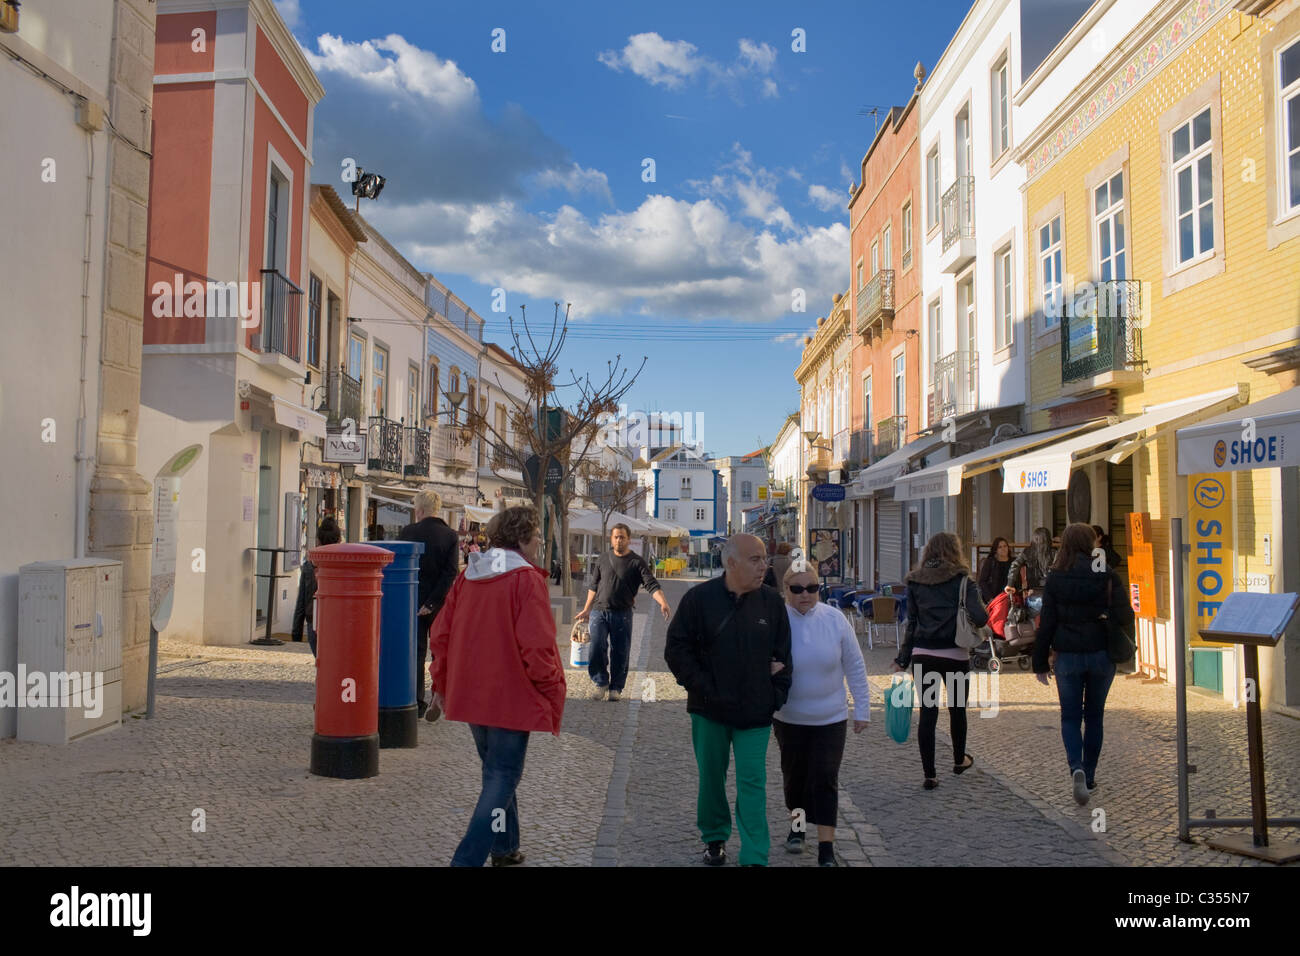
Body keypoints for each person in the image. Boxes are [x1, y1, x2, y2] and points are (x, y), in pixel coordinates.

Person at [430, 506, 566, 867]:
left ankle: (504, 847)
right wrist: (551, 687)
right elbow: (537, 646)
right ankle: (466, 859)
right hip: (511, 695)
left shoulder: (468, 576)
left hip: (472, 692)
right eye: (536, 535)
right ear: (521, 539)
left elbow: (440, 633)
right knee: (502, 776)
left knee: (495, 772)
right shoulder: (526, 580)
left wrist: (441, 681)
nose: (540, 540)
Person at [665, 533, 792, 867]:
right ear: (731, 562)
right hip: (709, 710)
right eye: (755, 559)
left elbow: (784, 655)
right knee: (711, 778)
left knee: (753, 783)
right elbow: (676, 649)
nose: (764, 565)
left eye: (764, 559)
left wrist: (775, 695)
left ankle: (754, 855)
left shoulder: (772, 603)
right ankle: (714, 837)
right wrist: (703, 686)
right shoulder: (699, 599)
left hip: (756, 711)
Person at [773, 561, 870, 867]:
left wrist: (862, 708)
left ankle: (826, 848)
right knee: (795, 778)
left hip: (831, 716)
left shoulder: (835, 619)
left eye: (812, 588)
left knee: (825, 777)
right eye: (798, 589)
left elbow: (855, 665)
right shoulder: (777, 621)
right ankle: (798, 828)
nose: (806, 594)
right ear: (785, 590)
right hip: (789, 716)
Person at [1034, 523, 1134, 806]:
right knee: (1094, 717)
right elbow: (1126, 615)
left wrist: (1040, 662)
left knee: (1069, 717)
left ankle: (1075, 766)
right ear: (1092, 543)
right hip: (1101, 653)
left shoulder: (1055, 577)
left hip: (1067, 655)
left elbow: (1047, 624)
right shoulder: (1107, 575)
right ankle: (1089, 776)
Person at [892, 532, 987, 790]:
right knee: (957, 710)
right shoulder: (963, 580)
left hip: (923, 655)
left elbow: (910, 623)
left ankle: (930, 775)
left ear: (928, 552)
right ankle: (959, 760)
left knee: (928, 714)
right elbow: (981, 618)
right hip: (955, 655)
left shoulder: (915, 582)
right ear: (955, 551)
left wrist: (902, 658)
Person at [574, 524, 672, 701]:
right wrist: (587, 608)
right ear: (611, 539)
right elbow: (594, 586)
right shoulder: (603, 559)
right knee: (596, 648)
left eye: (622, 537)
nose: (619, 540)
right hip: (599, 611)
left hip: (623, 613)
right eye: (616, 537)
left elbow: (651, 584)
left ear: (628, 539)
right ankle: (600, 682)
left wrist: (663, 602)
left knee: (620, 651)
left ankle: (616, 688)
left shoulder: (636, 562)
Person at [399, 491, 460, 720]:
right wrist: (433, 602)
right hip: (439, 604)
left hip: (411, 602)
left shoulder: (408, 532)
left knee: (415, 652)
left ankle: (416, 700)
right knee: (439, 653)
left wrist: (419, 601)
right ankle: (438, 695)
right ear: (438, 509)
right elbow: (450, 573)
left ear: (419, 510)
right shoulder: (450, 536)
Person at [291, 517, 341, 657]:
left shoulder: (309, 566)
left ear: (318, 541)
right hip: (337, 621)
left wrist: (297, 631)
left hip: (314, 621)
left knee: (321, 661)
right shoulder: (343, 566)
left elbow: (301, 600)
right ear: (339, 540)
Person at [1006, 527, 1055, 597]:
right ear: (1048, 539)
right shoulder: (1054, 553)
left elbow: (1015, 565)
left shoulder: (1027, 552)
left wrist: (1010, 584)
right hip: (1051, 591)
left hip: (1033, 591)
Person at [977, 537, 1012, 604]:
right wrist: (990, 599)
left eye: (1005, 546)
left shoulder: (1013, 562)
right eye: (1000, 547)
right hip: (994, 598)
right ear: (995, 550)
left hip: (1009, 598)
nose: (1003, 549)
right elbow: (982, 581)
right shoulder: (990, 562)